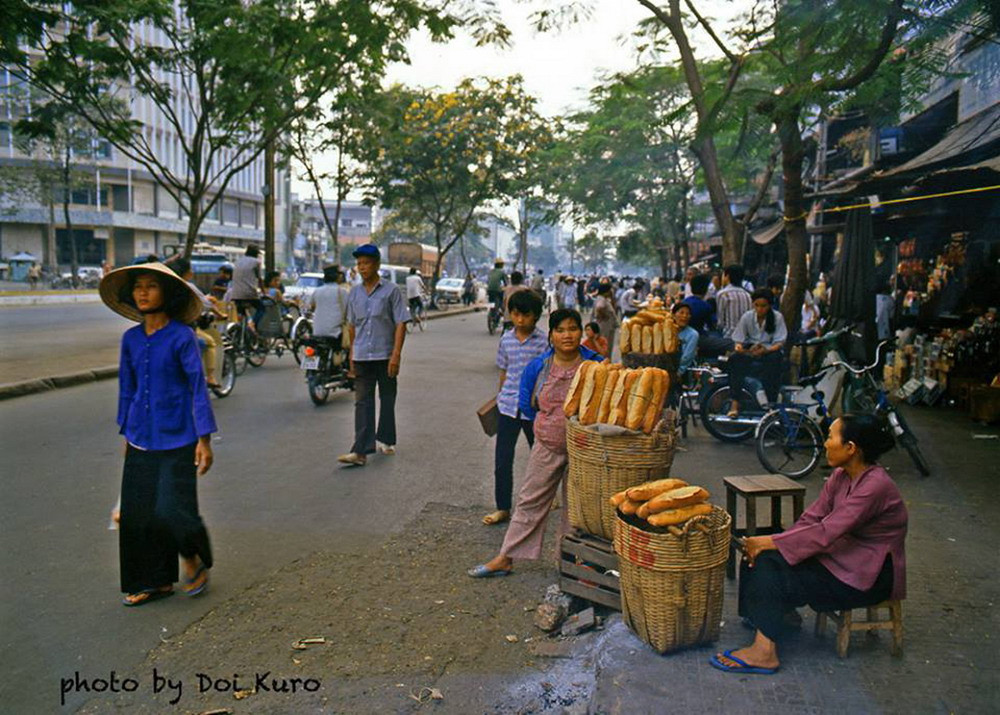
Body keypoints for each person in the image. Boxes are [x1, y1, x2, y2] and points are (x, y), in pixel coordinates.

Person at [711, 413, 906, 675]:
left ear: (851, 448)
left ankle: (765, 652)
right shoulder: (840, 476)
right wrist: (773, 544)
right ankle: (775, 618)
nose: (825, 443)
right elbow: (812, 519)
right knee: (759, 555)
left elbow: (826, 532)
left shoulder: (875, 486)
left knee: (770, 564)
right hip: (840, 559)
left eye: (830, 437)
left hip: (867, 577)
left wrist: (771, 542)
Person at [98, 261, 217, 606]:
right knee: (138, 513)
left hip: (179, 435)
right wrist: (126, 433)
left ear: (167, 293)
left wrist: (204, 440)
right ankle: (155, 581)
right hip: (140, 435)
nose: (143, 293)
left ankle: (192, 557)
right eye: (138, 287)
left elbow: (197, 387)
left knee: (171, 508)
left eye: (151, 286)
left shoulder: (182, 337)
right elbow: (127, 388)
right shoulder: (131, 339)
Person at [467, 309, 604, 578]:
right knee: (530, 501)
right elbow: (526, 407)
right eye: (561, 330)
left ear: (581, 332)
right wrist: (550, 428)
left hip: (585, 450)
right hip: (547, 446)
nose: (567, 335)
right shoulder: (538, 367)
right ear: (551, 335)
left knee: (576, 509)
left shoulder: (596, 365)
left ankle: (570, 562)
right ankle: (505, 557)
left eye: (573, 328)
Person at [338, 244, 410, 467]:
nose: (362, 268)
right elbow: (352, 326)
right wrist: (351, 355)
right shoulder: (355, 293)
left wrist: (396, 355)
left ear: (377, 265)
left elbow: (400, 323)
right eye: (359, 264)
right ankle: (360, 450)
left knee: (387, 398)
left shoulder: (391, 291)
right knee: (362, 402)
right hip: (361, 355)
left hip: (384, 354)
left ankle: (386, 438)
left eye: (366, 263)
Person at [483, 289, 548, 527]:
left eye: (526, 315)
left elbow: (547, 375)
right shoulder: (506, 340)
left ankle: (541, 503)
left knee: (540, 459)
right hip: (508, 407)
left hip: (534, 409)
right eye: (516, 314)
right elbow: (503, 371)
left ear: (536, 316)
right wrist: (500, 397)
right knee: (502, 459)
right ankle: (502, 507)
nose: (520, 320)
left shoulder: (543, 342)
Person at [725, 289, 788, 418]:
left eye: (763, 306)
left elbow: (780, 342)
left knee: (775, 360)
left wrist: (766, 350)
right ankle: (735, 403)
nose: (760, 309)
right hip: (750, 350)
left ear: (769, 305)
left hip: (769, 351)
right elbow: (738, 339)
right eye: (757, 305)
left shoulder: (777, 317)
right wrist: (742, 349)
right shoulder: (747, 316)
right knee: (735, 360)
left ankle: (771, 402)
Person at [170, 256, 225, 389]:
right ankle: (210, 377)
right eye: (191, 270)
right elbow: (205, 304)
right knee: (209, 342)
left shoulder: (168, 285)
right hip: (185, 328)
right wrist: (220, 313)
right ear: (187, 272)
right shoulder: (188, 286)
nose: (193, 273)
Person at [308, 265, 349, 349]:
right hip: (335, 333)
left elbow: (312, 307)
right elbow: (348, 311)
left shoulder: (317, 291)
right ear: (338, 276)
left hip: (317, 331)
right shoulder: (342, 292)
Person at [230, 245, 263, 329]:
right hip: (249, 294)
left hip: (236, 294)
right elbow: (259, 279)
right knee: (262, 308)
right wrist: (263, 291)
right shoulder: (256, 262)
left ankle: (241, 330)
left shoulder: (238, 261)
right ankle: (253, 325)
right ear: (256, 254)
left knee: (241, 313)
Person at [716, 264, 753, 339]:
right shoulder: (748, 295)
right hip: (746, 336)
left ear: (727, 276)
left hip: (729, 336)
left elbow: (720, 323)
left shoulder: (722, 294)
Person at [591, 283, 618, 357]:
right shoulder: (602, 299)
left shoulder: (602, 298)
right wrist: (604, 315)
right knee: (606, 344)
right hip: (605, 326)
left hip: (605, 326)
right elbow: (599, 307)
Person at [672, 302, 699, 373]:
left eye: (688, 314)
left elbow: (687, 358)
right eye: (681, 313)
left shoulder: (693, 334)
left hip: (684, 371)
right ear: (673, 315)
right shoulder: (667, 331)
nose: (684, 316)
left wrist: (679, 372)